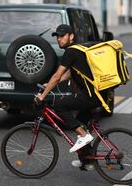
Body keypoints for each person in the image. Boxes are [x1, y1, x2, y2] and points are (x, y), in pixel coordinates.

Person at [35, 24, 101, 160]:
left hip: (90, 96)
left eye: (62, 36)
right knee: (80, 123)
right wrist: (52, 84)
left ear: (71, 36)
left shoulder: (71, 52)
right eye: (57, 36)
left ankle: (83, 135)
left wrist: (43, 95)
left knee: (59, 105)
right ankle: (87, 160)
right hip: (96, 94)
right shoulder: (78, 49)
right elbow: (71, 72)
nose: (59, 39)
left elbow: (57, 75)